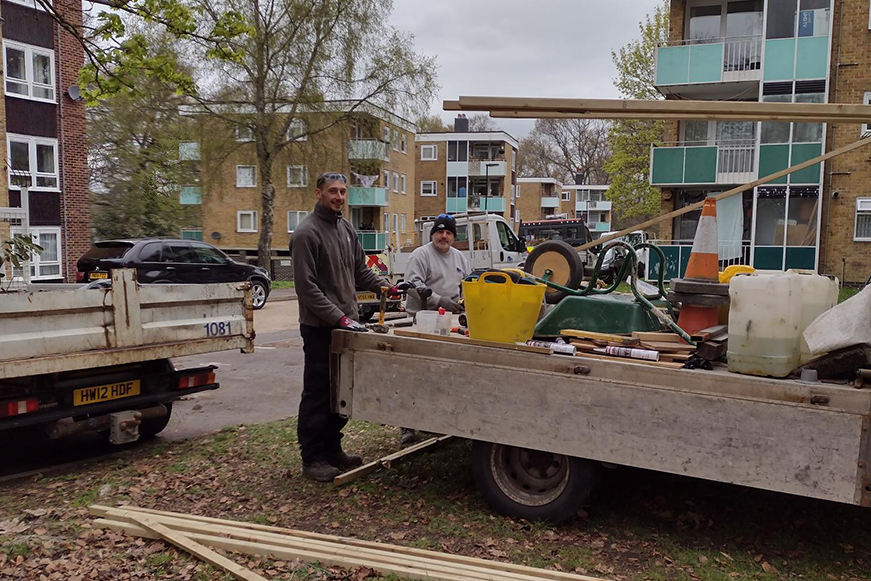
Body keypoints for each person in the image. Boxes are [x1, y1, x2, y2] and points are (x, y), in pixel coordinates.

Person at [290, 172, 397, 482]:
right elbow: (307, 289)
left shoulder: (346, 228)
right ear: (318, 193)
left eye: (342, 191)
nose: (338, 196)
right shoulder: (306, 234)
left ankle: (332, 449)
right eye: (332, 191)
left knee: (342, 390)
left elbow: (360, 270)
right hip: (320, 327)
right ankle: (312, 458)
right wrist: (337, 316)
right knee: (318, 392)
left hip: (347, 324)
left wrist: (383, 287)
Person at [399, 214, 471, 444]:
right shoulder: (421, 255)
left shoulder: (460, 257)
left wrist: (466, 302)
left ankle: (439, 421)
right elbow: (411, 287)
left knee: (446, 373)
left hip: (451, 320)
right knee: (417, 372)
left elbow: (468, 285)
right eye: (439, 232)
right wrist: (439, 300)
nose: (444, 236)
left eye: (448, 233)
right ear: (432, 235)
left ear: (453, 236)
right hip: (424, 320)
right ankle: (407, 425)